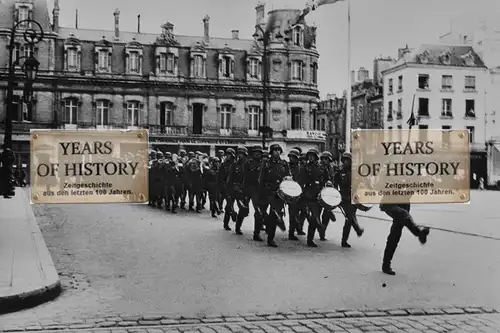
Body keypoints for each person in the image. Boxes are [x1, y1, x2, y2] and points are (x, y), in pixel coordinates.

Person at [380, 201, 430, 275]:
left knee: (395, 234)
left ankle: (386, 265)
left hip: (403, 203)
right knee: (403, 215)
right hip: (390, 202)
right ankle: (419, 233)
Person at [259, 143, 289, 247]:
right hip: (268, 192)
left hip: (280, 193)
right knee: (266, 213)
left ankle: (270, 238)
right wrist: (261, 192)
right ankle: (268, 229)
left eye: (278, 150)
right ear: (271, 152)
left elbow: (288, 178)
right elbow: (261, 179)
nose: (277, 152)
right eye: (275, 150)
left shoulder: (284, 164)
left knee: (274, 215)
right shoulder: (266, 163)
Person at [334, 152, 364, 248]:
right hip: (344, 197)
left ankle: (353, 233)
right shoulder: (339, 172)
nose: (346, 162)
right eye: (345, 160)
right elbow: (335, 185)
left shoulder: (355, 172)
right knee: (349, 217)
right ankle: (351, 234)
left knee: (350, 217)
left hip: (353, 197)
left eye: (348, 160)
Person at [300, 148, 329, 247]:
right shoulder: (305, 168)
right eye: (309, 155)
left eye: (313, 155)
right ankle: (310, 238)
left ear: (316, 157)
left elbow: (327, 180)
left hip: (318, 196)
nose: (311, 157)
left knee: (315, 218)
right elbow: (301, 181)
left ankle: (310, 239)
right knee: (312, 217)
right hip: (308, 196)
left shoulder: (322, 168)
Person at [244, 145, 266, 241]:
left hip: (259, 190)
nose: (257, 154)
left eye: (259, 152)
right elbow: (244, 177)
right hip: (249, 188)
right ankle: (238, 225)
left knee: (259, 211)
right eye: (255, 152)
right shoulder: (248, 163)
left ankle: (256, 233)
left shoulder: (264, 163)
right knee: (243, 210)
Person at [226, 147, 249, 235]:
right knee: (229, 207)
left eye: (242, 154)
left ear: (245, 155)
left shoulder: (248, 165)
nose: (240, 156)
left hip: (242, 190)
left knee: (242, 209)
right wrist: (228, 190)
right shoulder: (234, 165)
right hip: (233, 188)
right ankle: (227, 222)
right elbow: (229, 178)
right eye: (239, 154)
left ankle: (238, 227)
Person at [287, 149, 305, 240]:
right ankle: (291, 233)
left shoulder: (301, 167)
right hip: (291, 193)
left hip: (301, 193)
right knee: (293, 214)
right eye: (290, 157)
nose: (291, 159)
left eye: (293, 157)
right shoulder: (287, 167)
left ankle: (299, 227)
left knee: (304, 212)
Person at [318, 151, 336, 241]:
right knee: (317, 213)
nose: (325, 160)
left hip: (329, 193)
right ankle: (320, 229)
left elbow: (333, 180)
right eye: (323, 159)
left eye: (327, 159)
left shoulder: (331, 168)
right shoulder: (319, 168)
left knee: (326, 215)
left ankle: (322, 232)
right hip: (320, 192)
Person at [218, 148, 235, 227]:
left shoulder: (235, 164)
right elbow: (220, 177)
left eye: (230, 154)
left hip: (234, 187)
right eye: (227, 154)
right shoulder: (223, 164)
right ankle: (226, 223)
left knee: (230, 204)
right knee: (229, 204)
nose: (228, 156)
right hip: (225, 186)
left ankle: (232, 215)